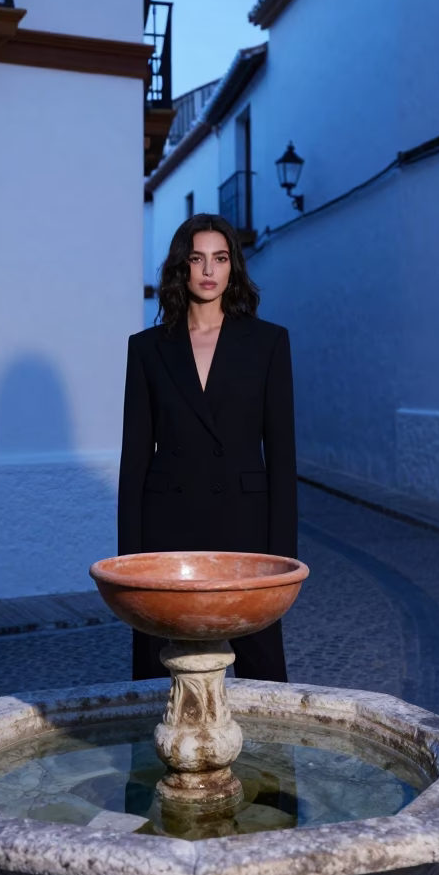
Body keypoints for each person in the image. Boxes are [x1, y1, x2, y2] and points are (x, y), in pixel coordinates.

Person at [118, 213, 297, 682]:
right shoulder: (147, 348)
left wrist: (284, 559)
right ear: (182, 267)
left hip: (244, 526)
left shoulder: (268, 343)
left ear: (233, 267)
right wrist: (128, 559)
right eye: (197, 259)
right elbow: (134, 459)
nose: (209, 271)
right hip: (166, 531)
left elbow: (281, 457)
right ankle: (154, 755)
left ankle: (272, 758)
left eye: (220, 258)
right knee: (157, 670)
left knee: (263, 670)